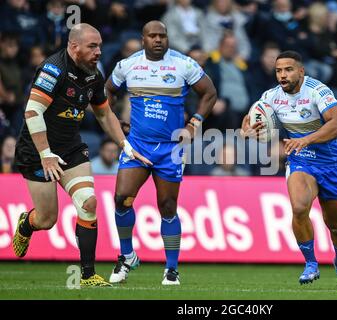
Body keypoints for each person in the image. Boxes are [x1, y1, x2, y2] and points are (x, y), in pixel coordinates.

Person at [12, 23, 150, 287]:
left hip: (71, 148)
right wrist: (45, 154)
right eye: (92, 46)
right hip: (38, 151)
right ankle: (26, 225)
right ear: (74, 47)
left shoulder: (92, 73)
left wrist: (125, 145)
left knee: (88, 203)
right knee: (47, 219)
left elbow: (103, 113)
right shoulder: (54, 70)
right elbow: (32, 112)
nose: (99, 51)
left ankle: (87, 275)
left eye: (99, 45)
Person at [105, 20, 217, 285]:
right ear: (143, 39)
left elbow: (210, 93)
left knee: (167, 207)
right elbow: (107, 91)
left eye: (162, 36)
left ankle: (171, 268)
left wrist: (194, 123)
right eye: (152, 36)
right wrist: (113, 119)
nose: (158, 40)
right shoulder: (128, 65)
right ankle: (126, 255)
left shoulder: (183, 64)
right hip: (138, 145)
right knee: (121, 199)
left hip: (171, 148)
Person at [240, 51, 337, 289]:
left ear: (301, 71)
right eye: (279, 70)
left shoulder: (318, 91)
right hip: (301, 160)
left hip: (332, 164)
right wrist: (248, 129)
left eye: (288, 69)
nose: (283, 74)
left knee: (336, 225)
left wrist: (306, 139)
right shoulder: (270, 97)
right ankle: (311, 263)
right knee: (299, 207)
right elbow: (252, 120)